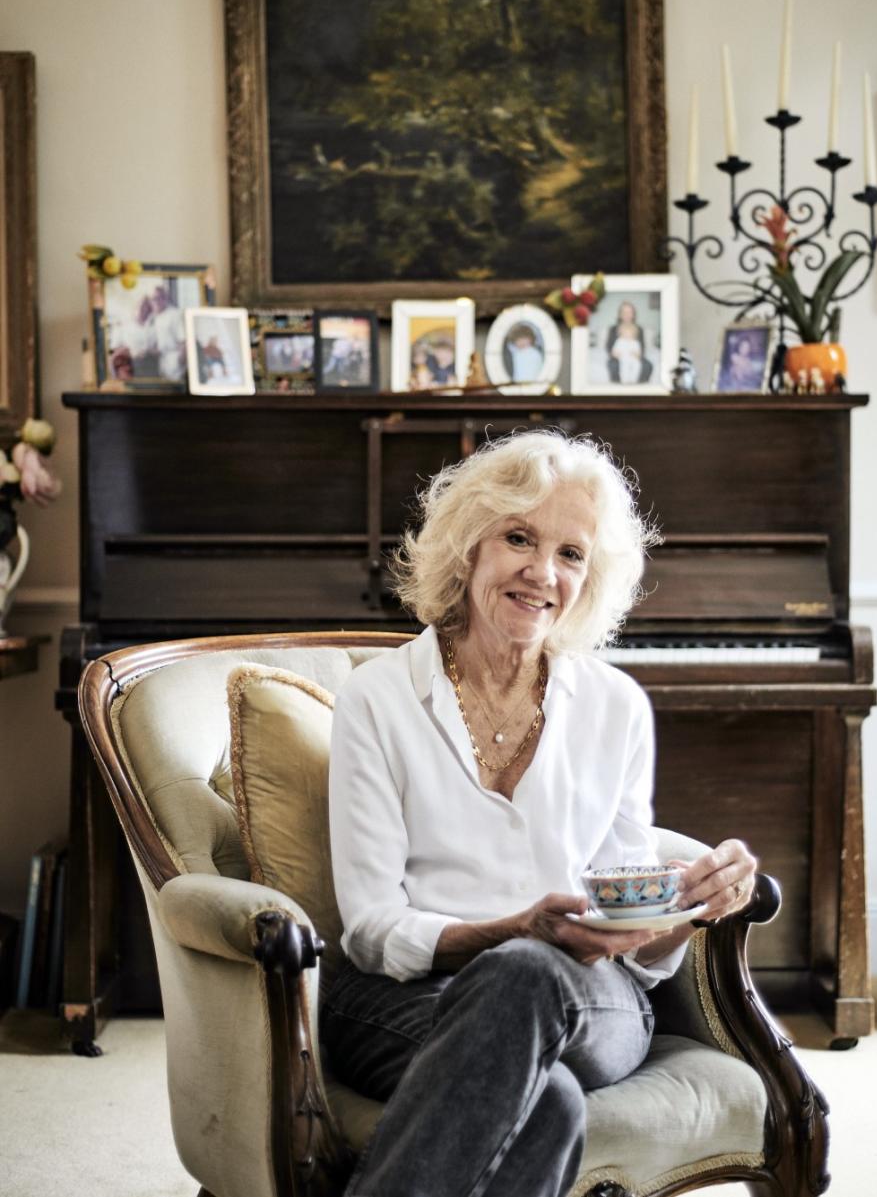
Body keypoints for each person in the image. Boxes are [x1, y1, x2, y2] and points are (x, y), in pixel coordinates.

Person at [323, 431, 757, 1197]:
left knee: (528, 974)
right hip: (404, 993)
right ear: (468, 547)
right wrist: (508, 931)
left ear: (590, 580)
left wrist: (692, 905)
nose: (542, 572)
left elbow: (630, 927)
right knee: (546, 1097)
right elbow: (369, 926)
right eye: (519, 537)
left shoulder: (616, 706)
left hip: (588, 996)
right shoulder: (377, 698)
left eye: (571, 553)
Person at [606, 301, 653, 384]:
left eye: (629, 312)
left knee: (647, 365)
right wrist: (613, 353)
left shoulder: (639, 329)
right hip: (618, 356)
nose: (627, 314)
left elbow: (642, 347)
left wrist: (638, 354)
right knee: (613, 366)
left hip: (634, 355)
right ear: (620, 314)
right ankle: (620, 390)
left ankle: (637, 389)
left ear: (633, 314)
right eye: (624, 312)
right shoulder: (613, 329)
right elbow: (609, 346)